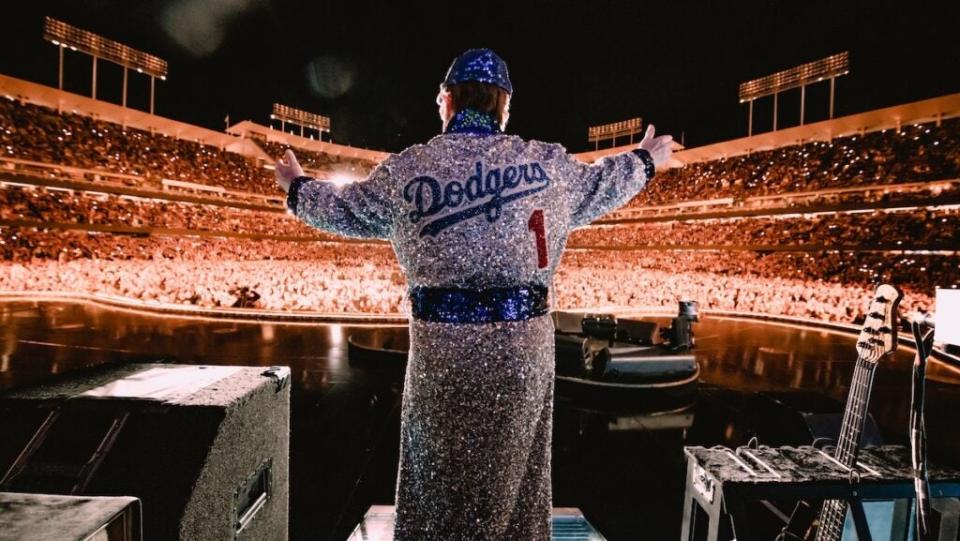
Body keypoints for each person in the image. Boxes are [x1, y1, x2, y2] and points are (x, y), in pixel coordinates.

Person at [275, 48, 672, 540]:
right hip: (523, 349)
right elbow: (605, 182)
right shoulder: (546, 164)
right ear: (504, 106)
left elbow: (343, 208)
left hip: (442, 350)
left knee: (437, 474)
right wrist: (644, 161)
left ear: (445, 101)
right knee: (517, 475)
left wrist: (297, 189)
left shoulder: (409, 171)